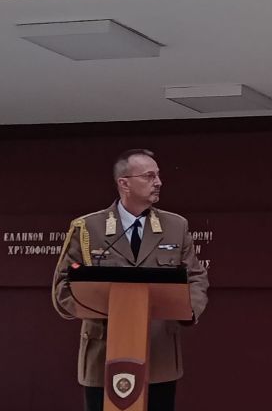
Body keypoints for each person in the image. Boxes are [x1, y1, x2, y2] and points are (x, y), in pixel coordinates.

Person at [51, 149, 209, 411]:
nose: (158, 182)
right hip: (103, 353)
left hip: (159, 356)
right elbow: (62, 287)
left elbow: (196, 276)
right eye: (149, 176)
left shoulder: (175, 226)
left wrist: (188, 308)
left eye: (158, 175)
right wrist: (107, 308)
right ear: (124, 183)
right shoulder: (88, 228)